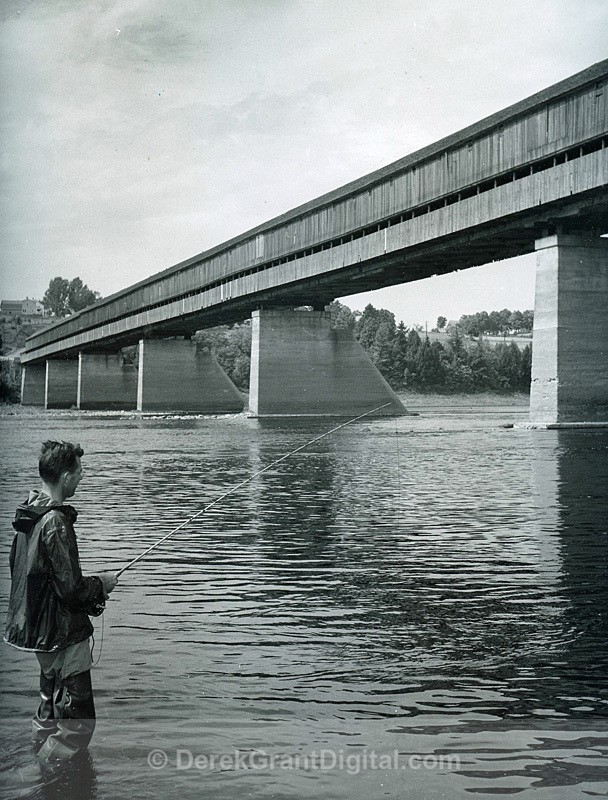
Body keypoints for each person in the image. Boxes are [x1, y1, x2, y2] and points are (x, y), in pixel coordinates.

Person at [4, 440, 118, 766]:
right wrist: (102, 585)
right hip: (62, 636)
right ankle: (48, 780)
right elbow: (71, 591)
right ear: (66, 476)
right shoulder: (55, 523)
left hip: (39, 636)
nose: (82, 477)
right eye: (80, 471)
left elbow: (26, 575)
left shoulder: (28, 514)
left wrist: (90, 591)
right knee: (77, 726)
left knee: (50, 712)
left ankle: (38, 767)